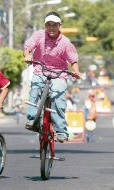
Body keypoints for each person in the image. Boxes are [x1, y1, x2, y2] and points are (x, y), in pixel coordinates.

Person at [23, 11, 81, 142]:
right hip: (40, 70)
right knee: (34, 92)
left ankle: (61, 130)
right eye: (48, 24)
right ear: (45, 26)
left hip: (58, 74)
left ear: (60, 25)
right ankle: (33, 121)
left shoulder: (65, 42)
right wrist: (27, 55)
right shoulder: (38, 35)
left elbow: (73, 60)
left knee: (58, 99)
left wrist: (76, 72)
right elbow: (28, 47)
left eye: (54, 24)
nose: (51, 27)